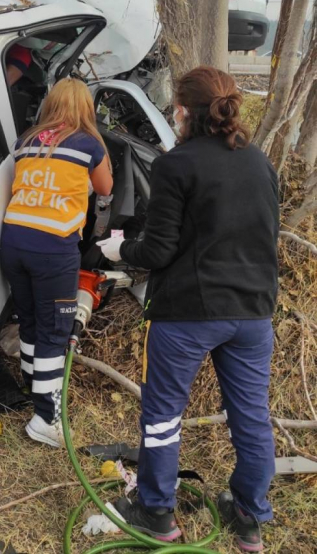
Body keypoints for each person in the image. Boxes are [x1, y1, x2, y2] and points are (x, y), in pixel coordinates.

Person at [98, 67, 279, 552]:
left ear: (181, 111)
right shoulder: (260, 163)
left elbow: (158, 250)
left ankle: (156, 511)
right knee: (251, 417)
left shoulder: (175, 165)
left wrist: (119, 251)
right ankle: (250, 516)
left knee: (162, 414)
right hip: (253, 314)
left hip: (190, 314)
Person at [1, 78, 113, 447]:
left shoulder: (25, 142)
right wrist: (100, 145)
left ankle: (36, 388)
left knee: (31, 321)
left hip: (14, 241)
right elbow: (105, 188)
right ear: (85, 108)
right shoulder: (87, 143)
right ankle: (45, 418)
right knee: (56, 329)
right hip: (53, 249)